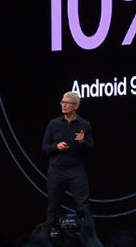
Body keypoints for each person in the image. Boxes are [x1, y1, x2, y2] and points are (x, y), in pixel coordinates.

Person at [38, 91, 95, 239]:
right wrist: (56, 147)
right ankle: (48, 240)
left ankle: (89, 239)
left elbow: (91, 149)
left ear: (76, 106)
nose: (63, 105)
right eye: (62, 102)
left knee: (83, 207)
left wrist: (82, 142)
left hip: (76, 172)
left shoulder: (84, 125)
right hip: (56, 171)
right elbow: (44, 147)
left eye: (67, 103)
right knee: (52, 208)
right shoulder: (53, 124)